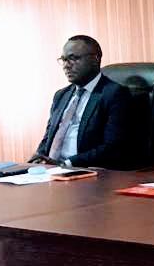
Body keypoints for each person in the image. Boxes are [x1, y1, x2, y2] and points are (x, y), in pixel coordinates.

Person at [30, 35, 133, 169]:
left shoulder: (114, 94)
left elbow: (112, 147)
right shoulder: (61, 95)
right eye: (64, 60)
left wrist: (66, 164)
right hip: (51, 170)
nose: (66, 66)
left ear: (95, 59)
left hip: (84, 170)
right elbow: (48, 137)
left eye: (73, 58)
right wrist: (38, 157)